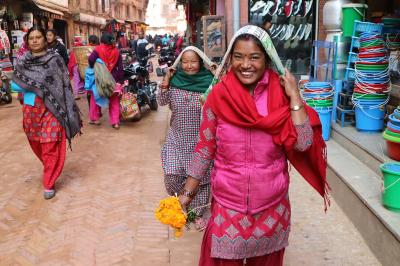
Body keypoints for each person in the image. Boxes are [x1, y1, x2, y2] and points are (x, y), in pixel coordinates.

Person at [178, 25, 329, 265]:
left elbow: (303, 143)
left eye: (254, 57)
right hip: (228, 206)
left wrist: (295, 97)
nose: (245, 64)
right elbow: (205, 148)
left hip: (272, 207)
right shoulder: (218, 96)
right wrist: (187, 194)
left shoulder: (281, 95)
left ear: (267, 58)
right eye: (238, 56)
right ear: (230, 58)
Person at [11, 26, 82, 200]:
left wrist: (67, 106)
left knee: (49, 144)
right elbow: (14, 85)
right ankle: (50, 166)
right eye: (31, 38)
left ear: (45, 40)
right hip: (31, 108)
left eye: (38, 37)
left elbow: (64, 83)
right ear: (27, 41)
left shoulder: (54, 59)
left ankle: (48, 182)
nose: (34, 40)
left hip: (52, 108)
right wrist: (30, 85)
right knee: (36, 143)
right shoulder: (22, 61)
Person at [158, 46, 217, 231]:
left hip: (201, 142)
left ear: (201, 63)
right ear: (179, 64)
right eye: (185, 62)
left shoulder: (210, 82)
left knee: (202, 179)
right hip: (176, 139)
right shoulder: (175, 80)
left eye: (193, 61)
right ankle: (182, 202)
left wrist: (218, 78)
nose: (189, 65)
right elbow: (161, 101)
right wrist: (166, 80)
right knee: (172, 176)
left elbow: (223, 101)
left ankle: (196, 214)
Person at [88, 32, 124, 129]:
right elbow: (120, 68)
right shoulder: (117, 51)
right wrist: (120, 81)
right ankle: (115, 122)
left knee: (95, 97)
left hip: (100, 79)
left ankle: (95, 119)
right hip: (113, 79)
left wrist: (94, 66)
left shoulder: (98, 49)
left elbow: (91, 60)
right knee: (114, 100)